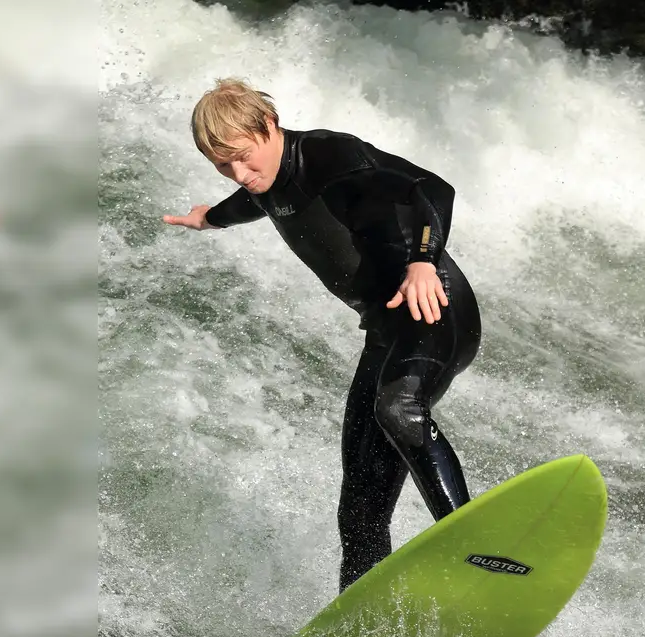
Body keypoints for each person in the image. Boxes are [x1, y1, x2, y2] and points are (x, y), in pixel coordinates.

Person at [164, 78, 482, 591]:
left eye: (244, 158)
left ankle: (473, 540)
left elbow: (432, 188)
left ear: (269, 126)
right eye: (223, 166)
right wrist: (212, 218)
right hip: (386, 331)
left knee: (398, 406)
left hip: (435, 306)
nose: (239, 174)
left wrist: (423, 262)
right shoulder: (265, 181)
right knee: (358, 510)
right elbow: (261, 201)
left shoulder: (330, 154)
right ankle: (363, 617)